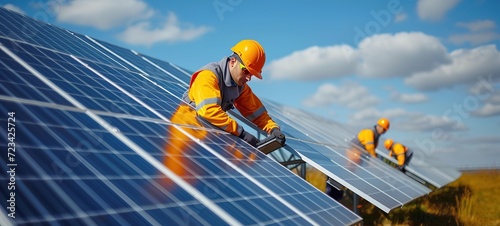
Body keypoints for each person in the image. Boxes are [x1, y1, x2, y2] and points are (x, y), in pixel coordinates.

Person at [182, 39, 285, 147]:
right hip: (184, 132)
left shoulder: (240, 87)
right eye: (245, 71)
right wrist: (241, 133)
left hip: (203, 136)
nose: (248, 78)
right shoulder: (208, 76)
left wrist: (273, 129)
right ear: (232, 62)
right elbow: (209, 111)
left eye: (252, 74)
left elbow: (257, 113)